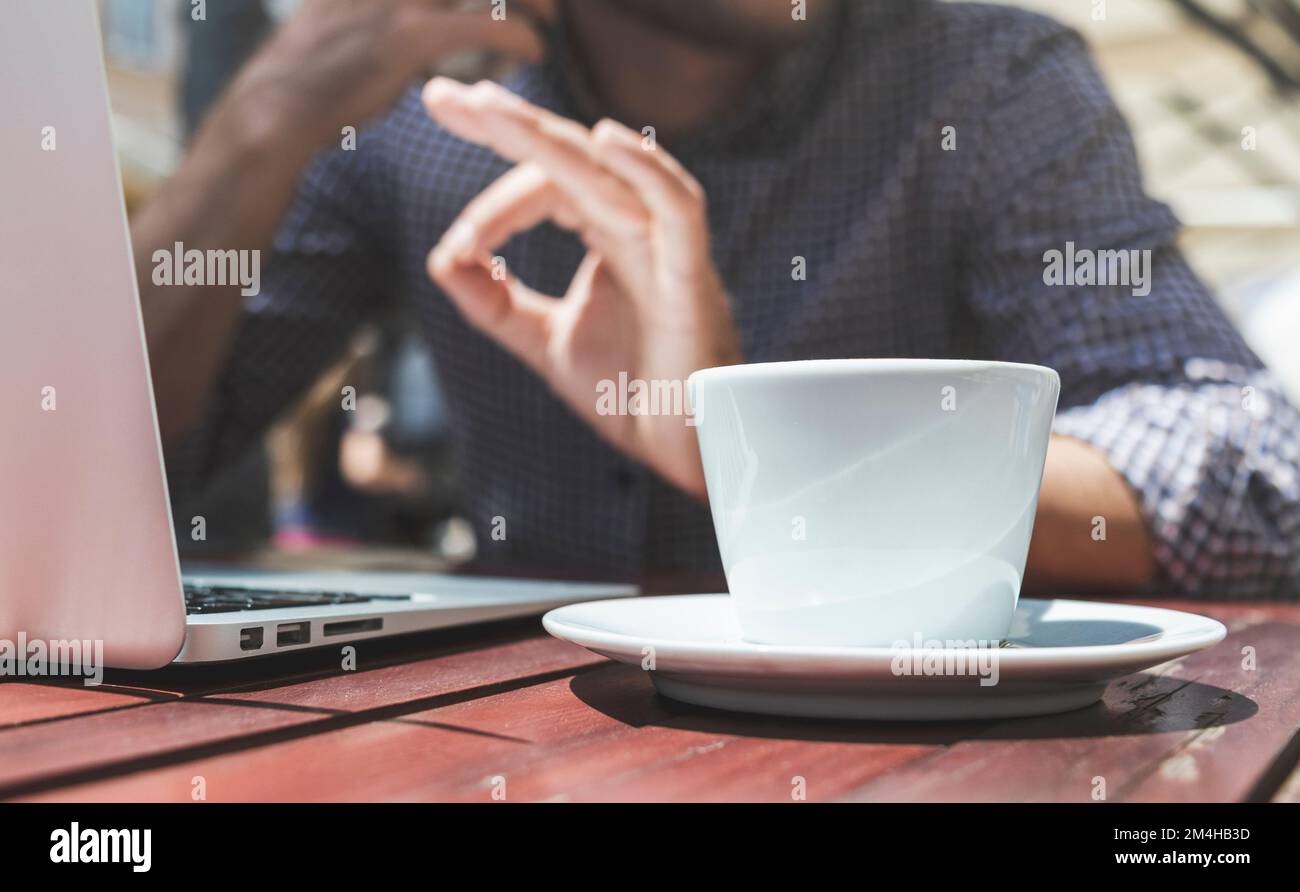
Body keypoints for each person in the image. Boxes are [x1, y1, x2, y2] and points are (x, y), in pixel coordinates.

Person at [134, 0, 1300, 597]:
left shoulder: (982, 79)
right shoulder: (402, 116)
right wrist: (262, 118)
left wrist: (767, 446)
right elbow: (107, 464)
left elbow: (1252, 479)